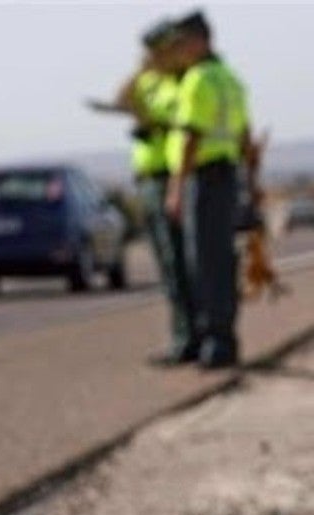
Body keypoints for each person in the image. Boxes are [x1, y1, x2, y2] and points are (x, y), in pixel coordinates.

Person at [100, 19, 201, 366]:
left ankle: (190, 337)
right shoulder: (149, 81)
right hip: (147, 179)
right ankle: (184, 335)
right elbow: (121, 100)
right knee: (169, 263)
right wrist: (140, 71)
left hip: (169, 177)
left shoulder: (182, 82)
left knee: (181, 262)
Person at [164, 11, 257, 369]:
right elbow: (246, 136)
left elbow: (190, 137)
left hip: (203, 178)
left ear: (200, 41)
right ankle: (224, 337)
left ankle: (215, 341)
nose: (179, 52)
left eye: (183, 44)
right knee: (221, 260)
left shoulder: (198, 80)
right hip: (227, 176)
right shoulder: (230, 80)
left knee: (202, 262)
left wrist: (176, 188)